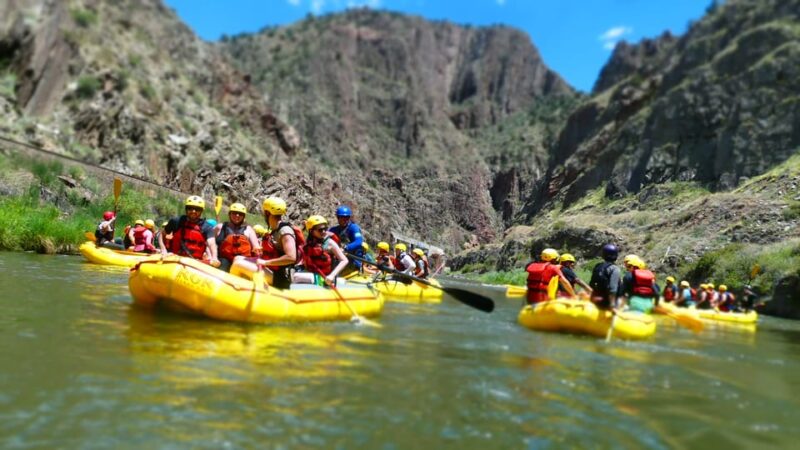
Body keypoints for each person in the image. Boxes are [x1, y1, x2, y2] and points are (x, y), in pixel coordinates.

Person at [231, 197, 301, 289]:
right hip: (271, 269)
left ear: (267, 213)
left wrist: (265, 262)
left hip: (280, 277)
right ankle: (242, 285)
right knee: (238, 258)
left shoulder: (285, 231)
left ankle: (233, 290)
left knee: (238, 265)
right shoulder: (275, 229)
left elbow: (291, 257)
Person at [160, 196, 219, 266]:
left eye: (197, 209)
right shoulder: (176, 221)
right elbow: (161, 234)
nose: (193, 211)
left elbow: (211, 243)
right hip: (174, 258)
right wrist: (163, 249)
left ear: (201, 211)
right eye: (190, 208)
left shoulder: (207, 227)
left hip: (195, 262)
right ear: (186, 209)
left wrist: (214, 257)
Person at [293, 215, 348, 286]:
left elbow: (344, 260)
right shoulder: (309, 243)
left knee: (295, 276)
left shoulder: (329, 243)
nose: (324, 231)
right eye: (320, 230)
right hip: (312, 274)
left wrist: (332, 276)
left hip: (326, 277)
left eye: (325, 229)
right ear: (311, 231)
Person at [214, 202, 261, 272]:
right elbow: (210, 243)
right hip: (223, 260)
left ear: (243, 216)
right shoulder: (219, 227)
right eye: (234, 213)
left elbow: (256, 248)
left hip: (241, 262)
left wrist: (257, 251)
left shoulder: (249, 230)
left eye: (240, 214)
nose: (237, 215)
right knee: (224, 263)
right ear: (230, 214)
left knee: (238, 263)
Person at [328, 205, 364, 276]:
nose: (345, 220)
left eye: (347, 217)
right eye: (342, 217)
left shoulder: (354, 228)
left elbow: (359, 241)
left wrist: (345, 248)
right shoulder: (333, 229)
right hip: (339, 259)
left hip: (353, 261)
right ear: (338, 218)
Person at [589, 244, 623, 310]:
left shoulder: (597, 266)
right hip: (606, 303)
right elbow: (613, 289)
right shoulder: (614, 268)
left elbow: (592, 284)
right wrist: (612, 305)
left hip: (594, 299)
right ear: (615, 255)